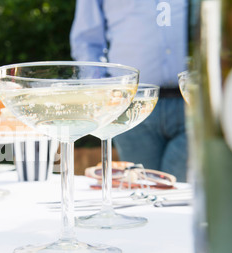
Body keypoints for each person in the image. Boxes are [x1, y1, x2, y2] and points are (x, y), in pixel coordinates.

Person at [70, 0, 189, 182]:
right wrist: (102, 92)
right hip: (131, 103)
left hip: (192, 102)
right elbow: (86, 40)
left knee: (179, 187)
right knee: (141, 187)